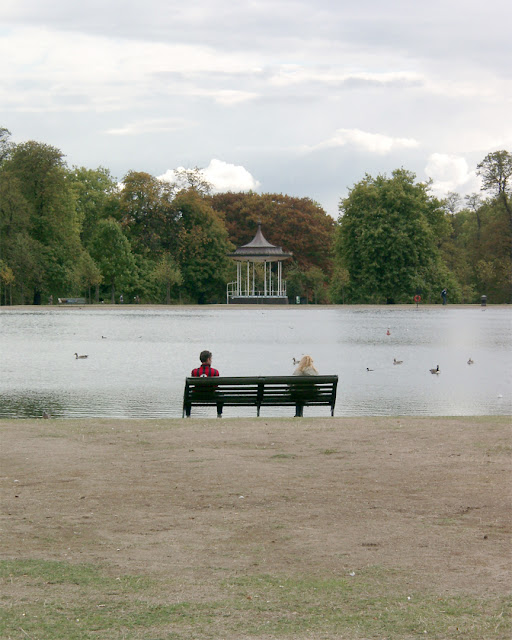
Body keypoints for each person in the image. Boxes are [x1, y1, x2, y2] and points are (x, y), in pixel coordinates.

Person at [190, 350, 222, 417]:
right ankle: (219, 414)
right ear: (208, 359)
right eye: (211, 359)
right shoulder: (215, 372)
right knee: (220, 394)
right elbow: (216, 385)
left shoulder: (194, 372)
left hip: (196, 396)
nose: (211, 361)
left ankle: (187, 415)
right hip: (211, 395)